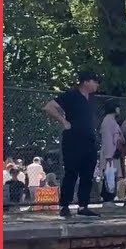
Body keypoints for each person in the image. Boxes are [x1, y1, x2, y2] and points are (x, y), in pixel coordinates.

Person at [41, 71, 102, 217]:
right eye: (95, 81)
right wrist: (64, 121)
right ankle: (65, 206)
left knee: (87, 174)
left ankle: (83, 206)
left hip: (89, 140)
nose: (97, 85)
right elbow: (49, 106)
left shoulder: (92, 98)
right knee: (71, 172)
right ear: (86, 81)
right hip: (73, 139)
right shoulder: (71, 95)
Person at [99, 100, 125, 203]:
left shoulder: (111, 120)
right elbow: (107, 139)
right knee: (109, 175)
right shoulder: (108, 120)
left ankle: (110, 198)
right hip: (110, 153)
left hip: (114, 152)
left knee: (112, 175)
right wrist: (109, 155)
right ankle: (107, 199)